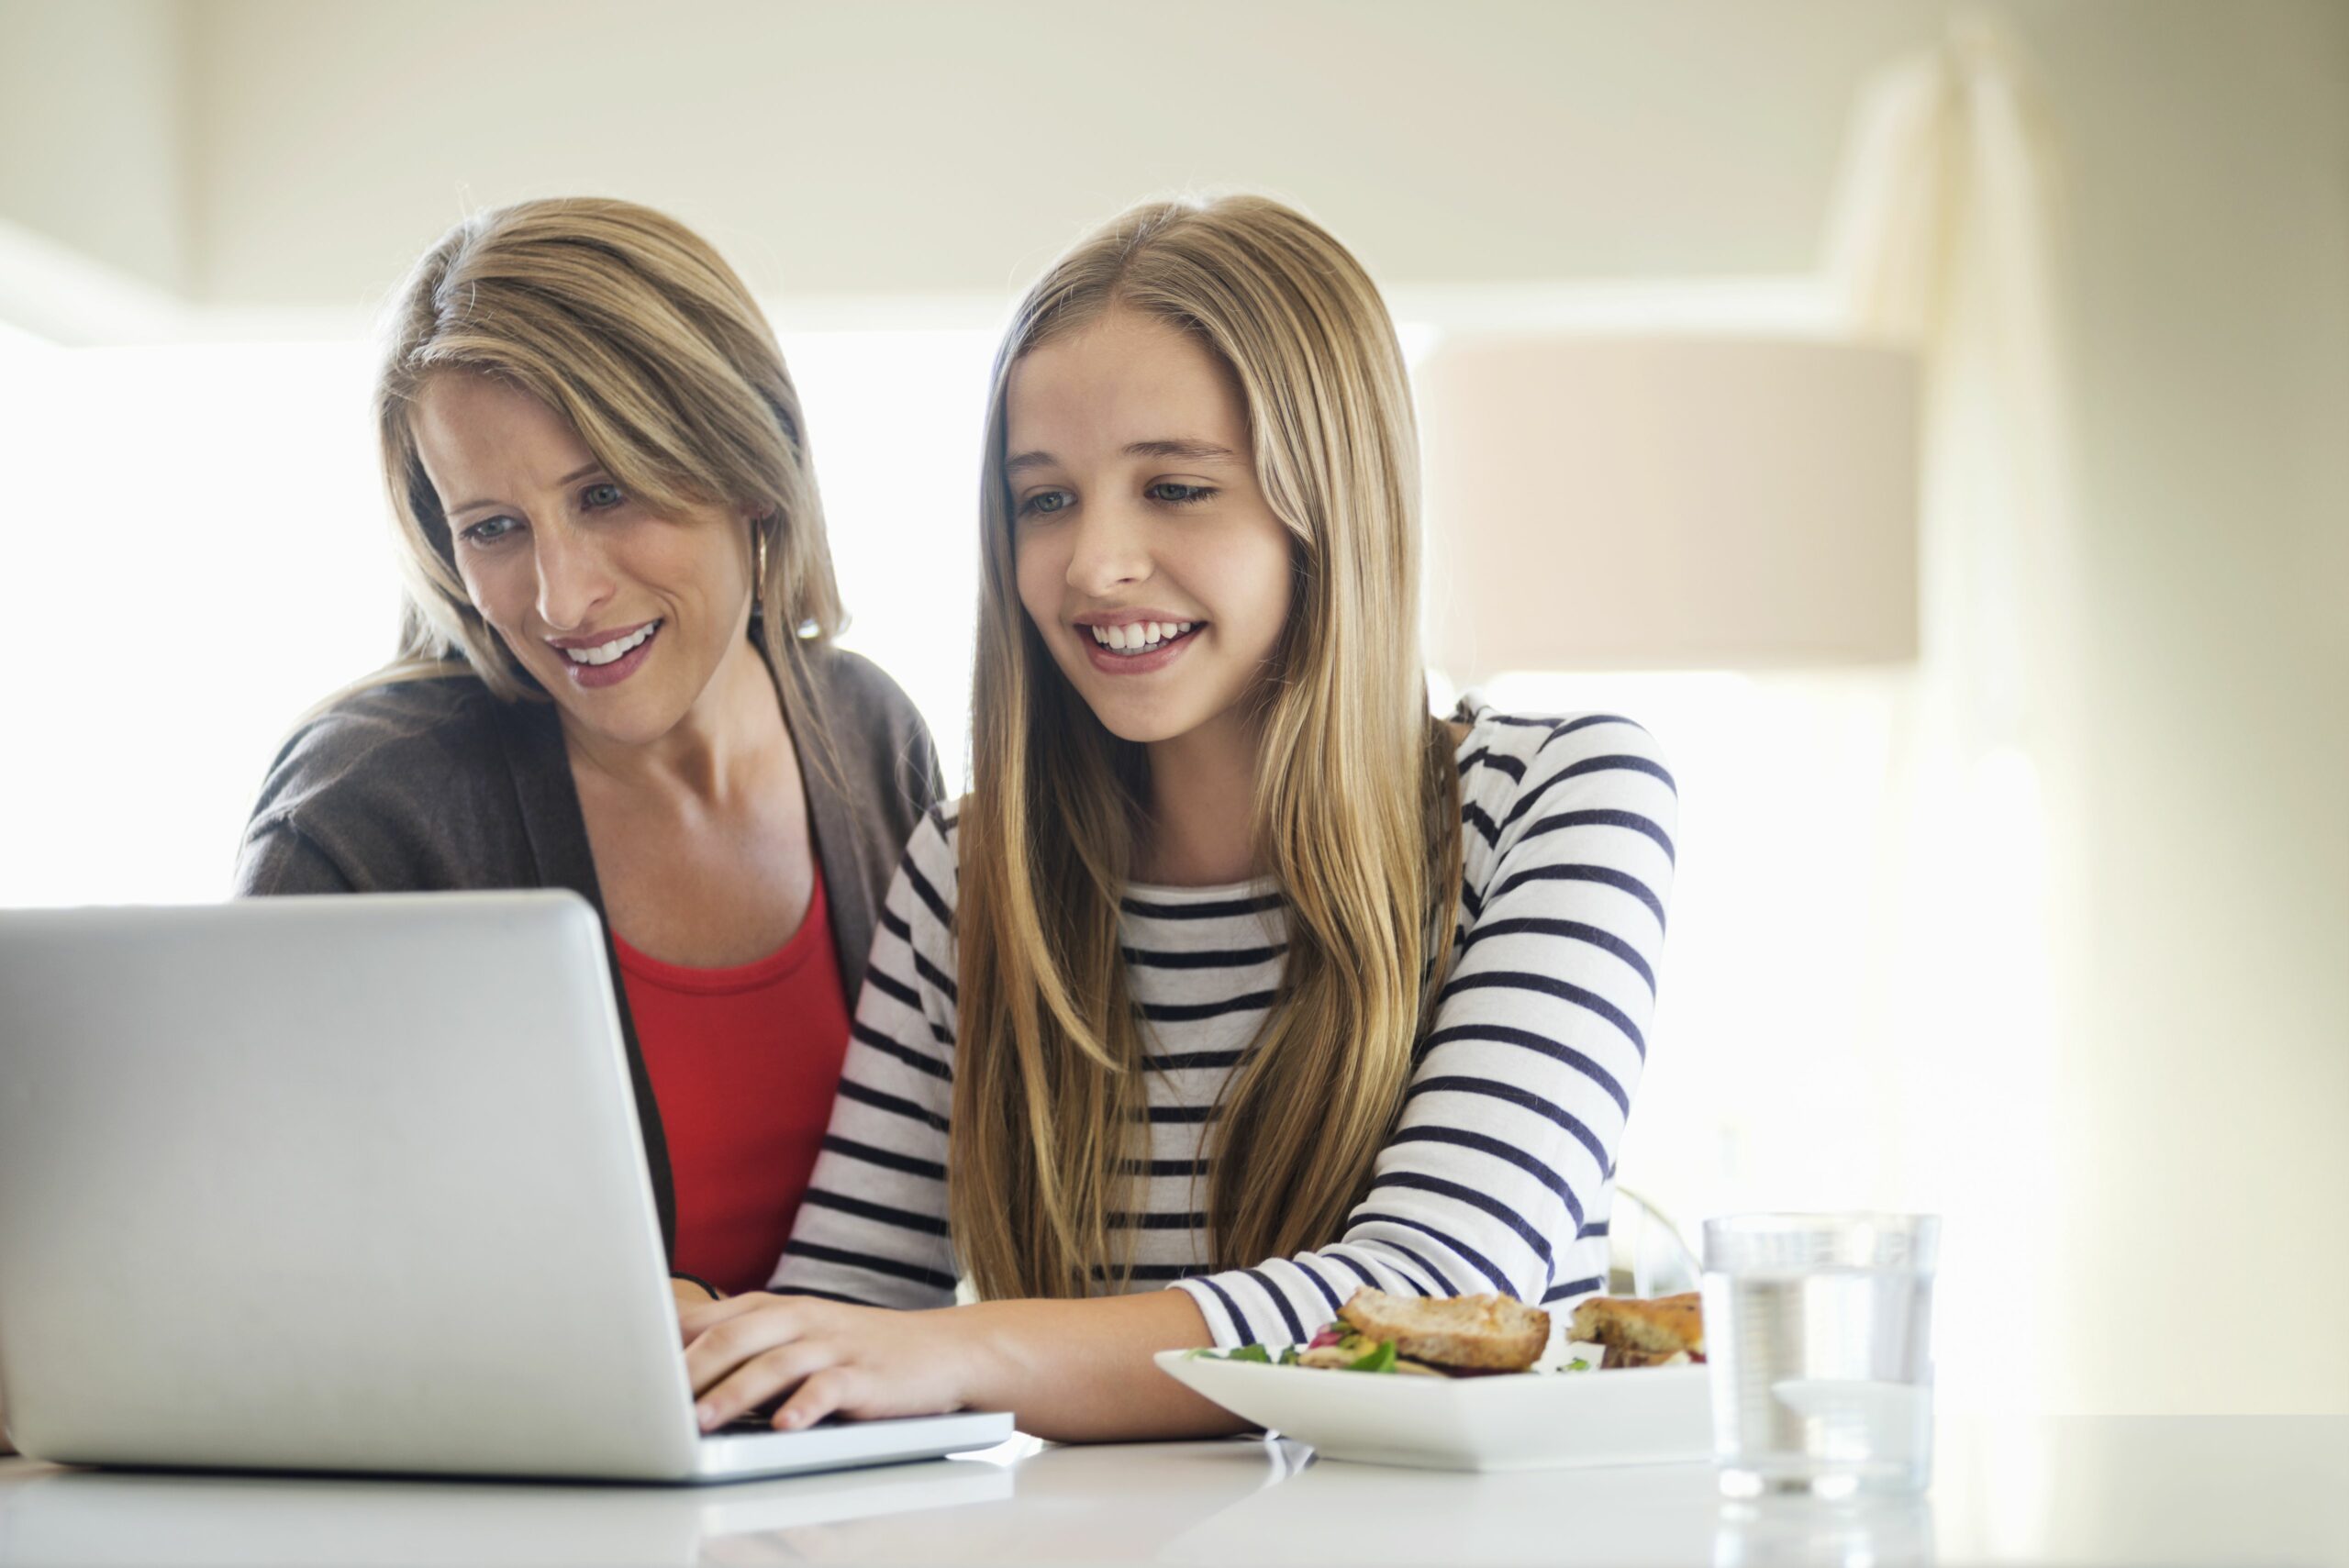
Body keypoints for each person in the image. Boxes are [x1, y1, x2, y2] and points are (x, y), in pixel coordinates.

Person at [674, 195, 1678, 1441]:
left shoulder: (1564, 803)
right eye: (1045, 500)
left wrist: (952, 1350)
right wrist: (721, 1345)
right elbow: (843, 1333)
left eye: (1176, 488)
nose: (1095, 562)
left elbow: (1431, 1302)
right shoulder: (971, 873)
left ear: (1333, 501)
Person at [233, 198, 941, 1305]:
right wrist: (588, 1312)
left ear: (754, 465)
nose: (561, 597)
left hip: (855, 1466)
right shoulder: (368, 806)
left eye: (606, 493)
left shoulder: (871, 736)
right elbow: (242, 1254)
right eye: (492, 528)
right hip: (509, 1475)